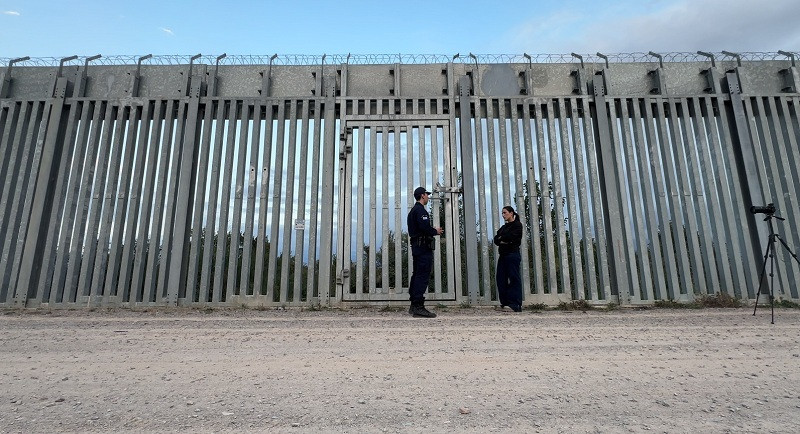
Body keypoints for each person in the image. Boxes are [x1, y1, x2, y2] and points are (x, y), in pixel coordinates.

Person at [406, 186, 443, 318]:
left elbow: (419, 228)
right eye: (427, 194)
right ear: (422, 195)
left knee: (416, 275)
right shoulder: (420, 211)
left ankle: (413, 305)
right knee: (422, 276)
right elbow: (424, 227)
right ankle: (418, 306)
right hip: (423, 248)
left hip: (417, 247)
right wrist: (435, 231)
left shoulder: (412, 211)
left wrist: (429, 229)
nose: (428, 197)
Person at [494, 205, 523, 312]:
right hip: (503, 255)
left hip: (512, 255)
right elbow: (496, 240)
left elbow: (512, 238)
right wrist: (502, 239)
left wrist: (503, 238)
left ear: (511, 213)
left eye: (505, 213)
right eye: (502, 213)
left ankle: (515, 304)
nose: (503, 215)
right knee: (501, 279)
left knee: (514, 278)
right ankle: (505, 303)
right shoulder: (504, 227)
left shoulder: (517, 225)